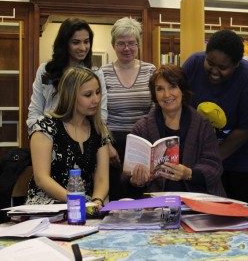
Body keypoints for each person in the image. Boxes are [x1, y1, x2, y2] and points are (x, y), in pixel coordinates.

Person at [182, 29, 248, 206]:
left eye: (223, 67)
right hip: (215, 147)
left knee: (247, 212)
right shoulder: (193, 64)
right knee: (215, 211)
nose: (214, 71)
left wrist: (209, 161)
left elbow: (244, 130)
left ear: (236, 64)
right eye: (210, 63)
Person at [127, 64, 226, 198]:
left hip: (198, 199)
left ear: (182, 90)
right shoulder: (141, 128)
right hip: (156, 203)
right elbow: (126, 175)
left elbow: (214, 166)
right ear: (154, 95)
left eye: (172, 86)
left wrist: (189, 173)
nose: (167, 95)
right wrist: (136, 180)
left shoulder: (202, 125)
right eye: (160, 89)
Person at [25, 66, 110, 208]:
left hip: (84, 207)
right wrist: (78, 201)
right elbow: (41, 179)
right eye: (88, 95)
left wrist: (97, 201)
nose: (96, 99)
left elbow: (102, 178)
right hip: (46, 207)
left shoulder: (99, 130)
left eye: (97, 92)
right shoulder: (44, 126)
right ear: (70, 96)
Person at [101, 16, 156, 200]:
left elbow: (156, 109)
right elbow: (96, 113)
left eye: (131, 43)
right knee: (117, 197)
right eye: (121, 43)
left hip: (144, 141)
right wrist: (106, 144)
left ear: (138, 44)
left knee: (143, 196)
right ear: (113, 45)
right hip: (112, 145)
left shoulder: (151, 71)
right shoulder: (102, 73)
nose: (127, 48)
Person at [27, 17, 107, 134]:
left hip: (83, 137)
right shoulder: (45, 70)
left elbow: (101, 114)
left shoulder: (95, 73)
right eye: (76, 42)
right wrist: (38, 136)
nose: (83, 48)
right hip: (48, 135)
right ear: (64, 43)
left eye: (86, 41)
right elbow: (35, 110)